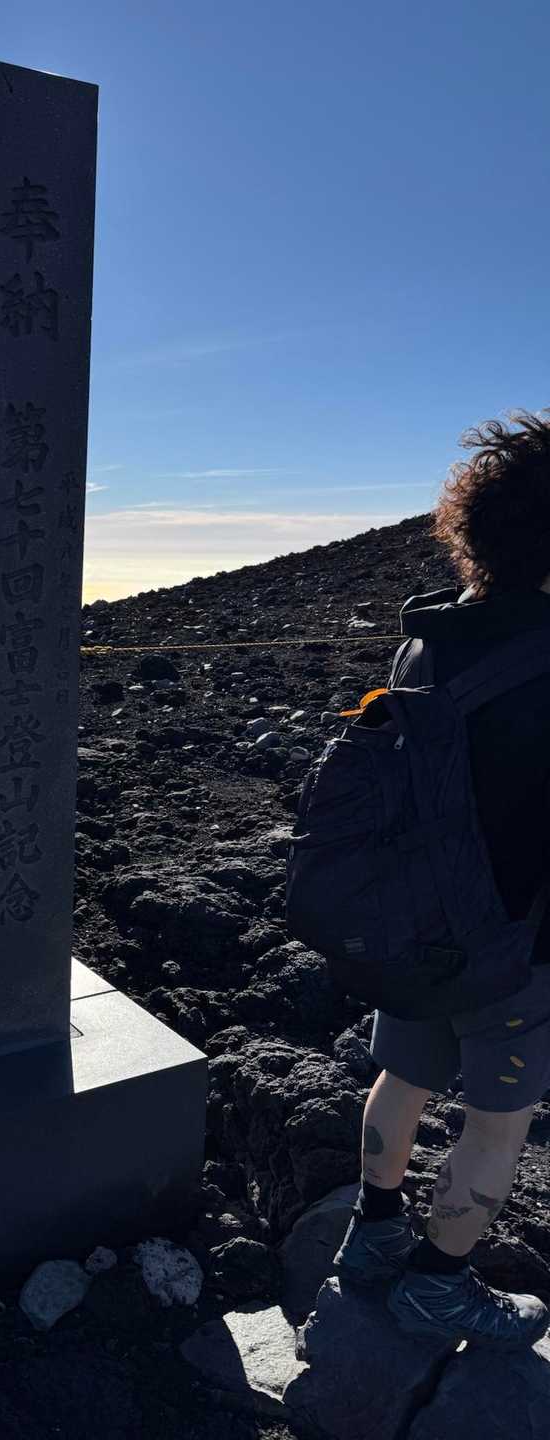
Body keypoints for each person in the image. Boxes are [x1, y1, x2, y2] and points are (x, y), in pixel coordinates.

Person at [333, 407, 550, 1350]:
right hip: (517, 947)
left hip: (414, 925)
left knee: (403, 1074)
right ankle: (437, 1286)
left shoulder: (426, 639)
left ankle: (371, 1235)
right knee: (497, 1127)